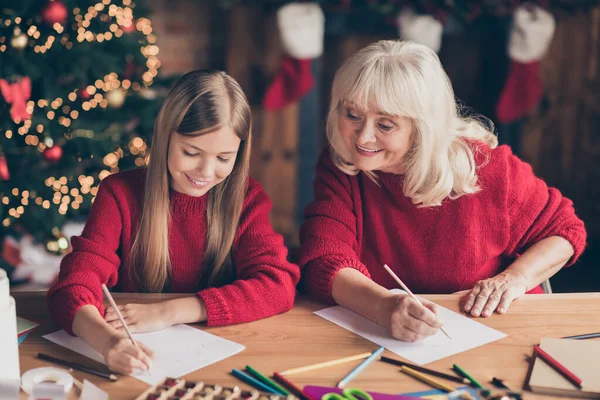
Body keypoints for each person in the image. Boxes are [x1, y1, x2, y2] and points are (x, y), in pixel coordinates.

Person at [298, 40, 586, 343]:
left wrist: (514, 279)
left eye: (385, 124)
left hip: (496, 334)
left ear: (423, 128)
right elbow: (325, 259)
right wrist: (384, 306)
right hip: (387, 340)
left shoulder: (488, 168)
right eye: (352, 115)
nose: (363, 137)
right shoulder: (342, 169)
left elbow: (565, 231)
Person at [47, 70, 300, 373]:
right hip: (138, 362)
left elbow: (277, 284)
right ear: (166, 137)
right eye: (192, 152)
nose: (206, 171)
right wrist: (107, 342)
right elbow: (73, 285)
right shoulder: (119, 195)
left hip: (222, 363)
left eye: (223, 158)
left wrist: (169, 312)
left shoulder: (247, 199)